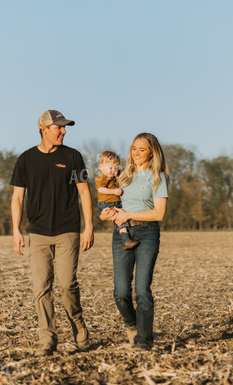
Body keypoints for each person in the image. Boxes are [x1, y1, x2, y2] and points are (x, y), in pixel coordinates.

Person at [10, 109, 94, 357]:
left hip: (68, 230)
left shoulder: (73, 157)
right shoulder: (25, 160)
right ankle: (47, 338)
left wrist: (88, 226)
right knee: (41, 288)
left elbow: (84, 193)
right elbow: (17, 197)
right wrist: (15, 230)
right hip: (38, 233)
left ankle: (77, 323)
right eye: (59, 127)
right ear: (44, 129)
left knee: (68, 284)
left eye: (65, 127)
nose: (64, 131)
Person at [100, 133, 169, 351]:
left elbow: (159, 214)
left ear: (152, 152)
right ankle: (132, 324)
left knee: (142, 290)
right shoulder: (122, 175)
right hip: (122, 233)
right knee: (120, 293)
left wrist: (128, 213)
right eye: (133, 148)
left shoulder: (157, 177)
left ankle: (143, 341)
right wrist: (106, 214)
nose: (136, 153)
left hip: (147, 233)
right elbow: (106, 202)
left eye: (142, 149)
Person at [95, 150, 139, 250]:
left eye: (115, 168)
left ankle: (126, 239)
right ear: (101, 167)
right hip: (106, 204)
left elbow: (124, 172)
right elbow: (100, 189)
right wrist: (114, 192)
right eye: (110, 168)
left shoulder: (115, 176)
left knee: (121, 219)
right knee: (120, 220)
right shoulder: (101, 177)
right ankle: (125, 240)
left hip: (116, 203)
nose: (113, 170)